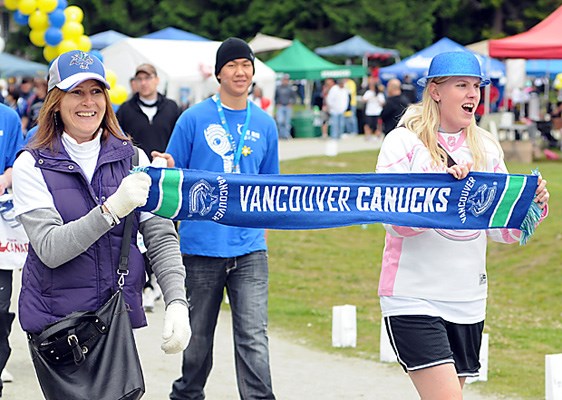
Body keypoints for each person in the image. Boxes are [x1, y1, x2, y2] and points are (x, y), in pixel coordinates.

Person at [375, 51, 550, 399]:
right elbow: (394, 223)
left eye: (476, 86)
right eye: (462, 86)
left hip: (468, 298)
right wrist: (442, 192)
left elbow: (502, 232)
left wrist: (530, 205)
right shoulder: (403, 142)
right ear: (435, 90)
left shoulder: (485, 146)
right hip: (414, 297)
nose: (473, 94)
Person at [11, 51, 191, 381]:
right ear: (55, 100)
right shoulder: (30, 165)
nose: (88, 102)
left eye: (96, 91)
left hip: (115, 321)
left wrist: (177, 301)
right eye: (76, 92)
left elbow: (161, 237)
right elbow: (50, 249)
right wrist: (112, 210)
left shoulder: (134, 157)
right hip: (58, 328)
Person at [152, 37, 279, 400]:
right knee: (197, 338)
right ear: (218, 73)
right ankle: (187, 394)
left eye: (246, 65)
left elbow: (271, 189)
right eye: (232, 65)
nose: (240, 71)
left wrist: (263, 236)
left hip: (249, 250)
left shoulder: (265, 123)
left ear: (253, 72)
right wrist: (164, 166)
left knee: (253, 336)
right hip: (201, 246)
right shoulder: (193, 118)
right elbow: (174, 174)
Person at [116, 62, 182, 312]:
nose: (144, 83)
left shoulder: (172, 108)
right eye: (139, 78)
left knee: (165, 229)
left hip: (166, 178)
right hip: (137, 177)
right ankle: (145, 284)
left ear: (156, 80)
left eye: (148, 78)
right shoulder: (126, 110)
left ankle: (162, 281)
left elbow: (177, 141)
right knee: (140, 229)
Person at [0, 102, 25, 397]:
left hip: (2, 227)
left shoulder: (8, 116)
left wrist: (6, 178)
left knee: (0, 303)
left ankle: (0, 355)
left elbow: (16, 162)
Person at [362, 76, 385, 141]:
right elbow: (363, 99)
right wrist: (369, 98)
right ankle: (368, 135)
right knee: (368, 124)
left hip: (377, 111)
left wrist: (377, 99)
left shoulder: (379, 94)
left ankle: (378, 135)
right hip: (369, 111)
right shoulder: (368, 92)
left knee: (378, 124)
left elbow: (383, 102)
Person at [274, 74, 296, 140]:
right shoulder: (278, 88)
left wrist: (291, 103)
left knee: (287, 122)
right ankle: (281, 134)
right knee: (280, 121)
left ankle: (286, 135)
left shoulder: (290, 88)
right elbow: (275, 97)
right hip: (280, 106)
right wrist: (277, 103)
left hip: (288, 106)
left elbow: (294, 98)